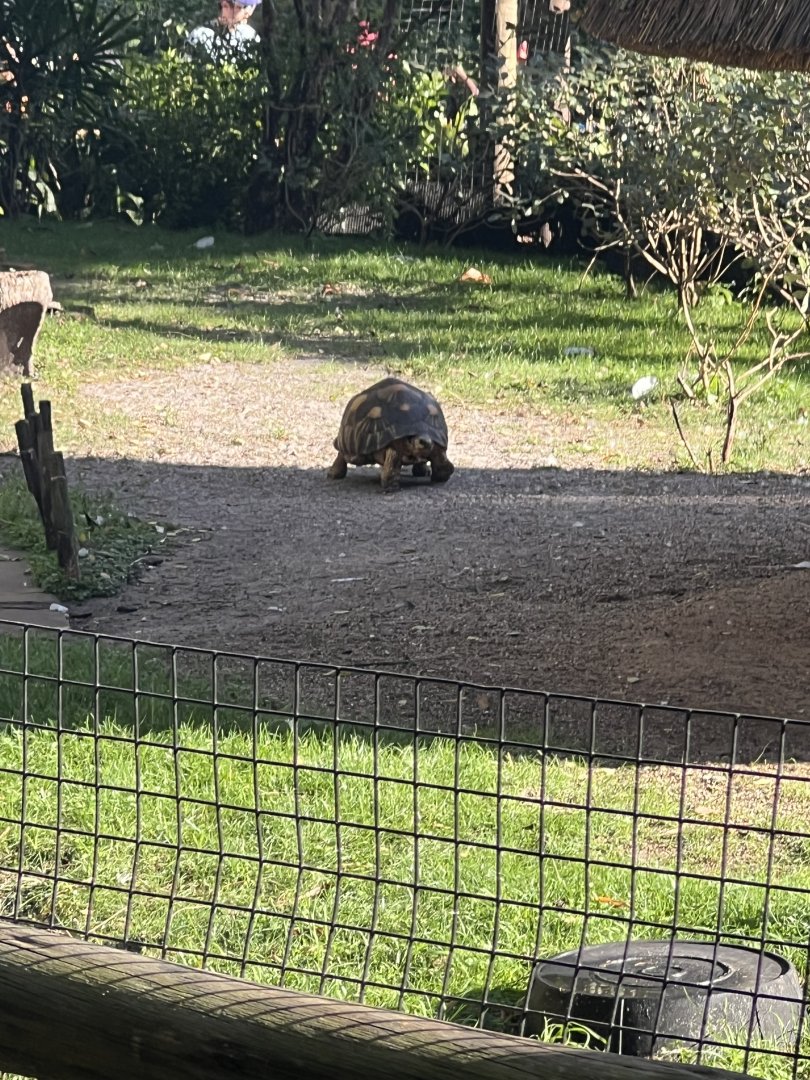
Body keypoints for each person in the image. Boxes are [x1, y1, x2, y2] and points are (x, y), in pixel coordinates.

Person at [186, 0, 262, 60]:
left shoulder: (251, 37)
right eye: (226, 5)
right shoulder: (201, 34)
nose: (227, 10)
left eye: (238, 7)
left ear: (251, 9)